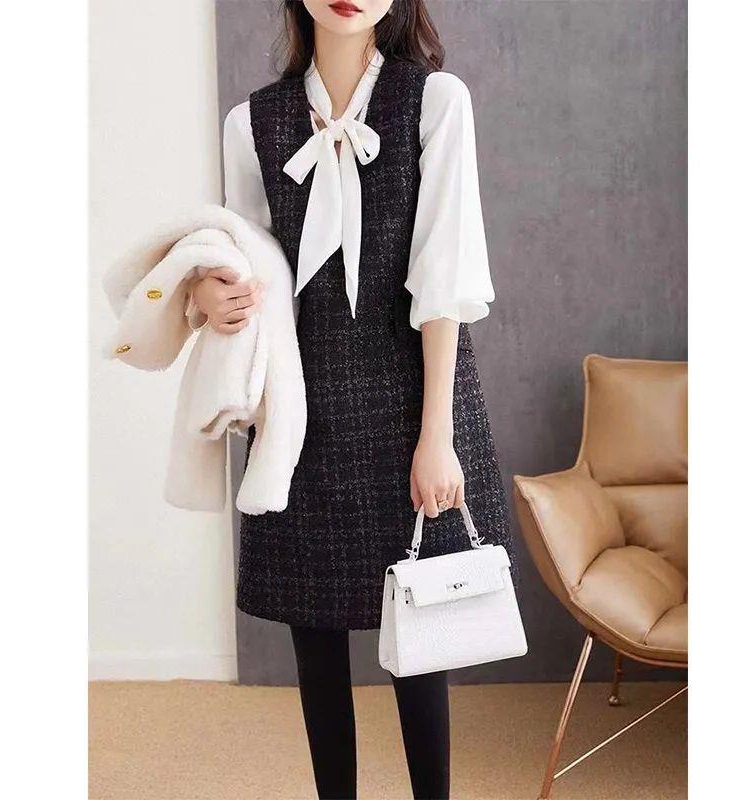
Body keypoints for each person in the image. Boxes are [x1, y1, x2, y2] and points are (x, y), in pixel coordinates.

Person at [190, 2, 518, 797]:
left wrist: (436, 436)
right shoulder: (251, 125)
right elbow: (248, 267)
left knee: (424, 643)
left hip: (414, 406)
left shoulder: (435, 102)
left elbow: (444, 282)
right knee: (316, 643)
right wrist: (207, 294)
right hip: (300, 415)